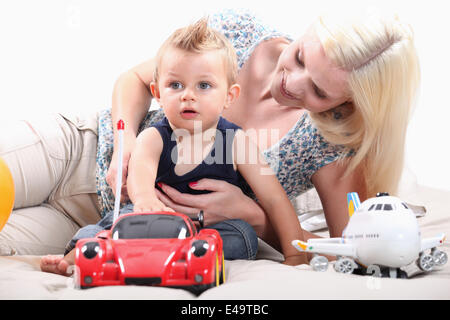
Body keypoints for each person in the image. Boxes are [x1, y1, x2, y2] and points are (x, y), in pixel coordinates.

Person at [0, 9, 420, 261]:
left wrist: (255, 218)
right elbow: (134, 78)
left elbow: (355, 247)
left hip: (107, 224)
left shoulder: (329, 145)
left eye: (320, 91)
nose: (292, 82)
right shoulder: (235, 33)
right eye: (300, 58)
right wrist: (124, 146)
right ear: (308, 32)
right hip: (80, 150)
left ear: (344, 104)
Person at [40, 18, 307, 275]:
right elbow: (140, 172)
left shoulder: (237, 142)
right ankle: (74, 259)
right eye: (175, 85)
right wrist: (146, 200)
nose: (187, 95)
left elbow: (274, 199)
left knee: (243, 236)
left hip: (207, 230)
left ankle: (174, 252)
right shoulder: (155, 136)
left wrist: (296, 255)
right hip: (156, 218)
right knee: (114, 224)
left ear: (229, 96)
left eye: (204, 85)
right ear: (157, 93)